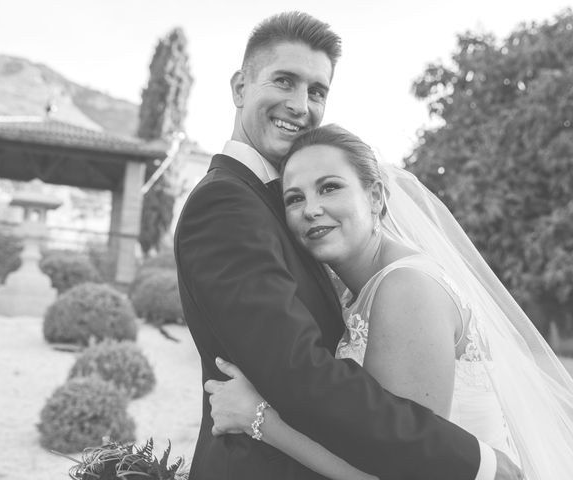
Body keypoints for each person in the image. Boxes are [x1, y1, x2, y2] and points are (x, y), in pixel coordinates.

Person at [174, 11, 521, 480]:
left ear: (375, 196)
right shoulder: (225, 203)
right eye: (284, 81)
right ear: (240, 88)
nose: (301, 104)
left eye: (317, 91)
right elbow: (298, 373)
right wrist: (474, 463)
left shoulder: (276, 206)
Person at [204, 124, 573, 480]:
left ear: (375, 197)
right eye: (295, 198)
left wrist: (257, 417)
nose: (311, 209)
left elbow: (396, 468)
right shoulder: (354, 291)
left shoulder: (407, 288)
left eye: (329, 188)